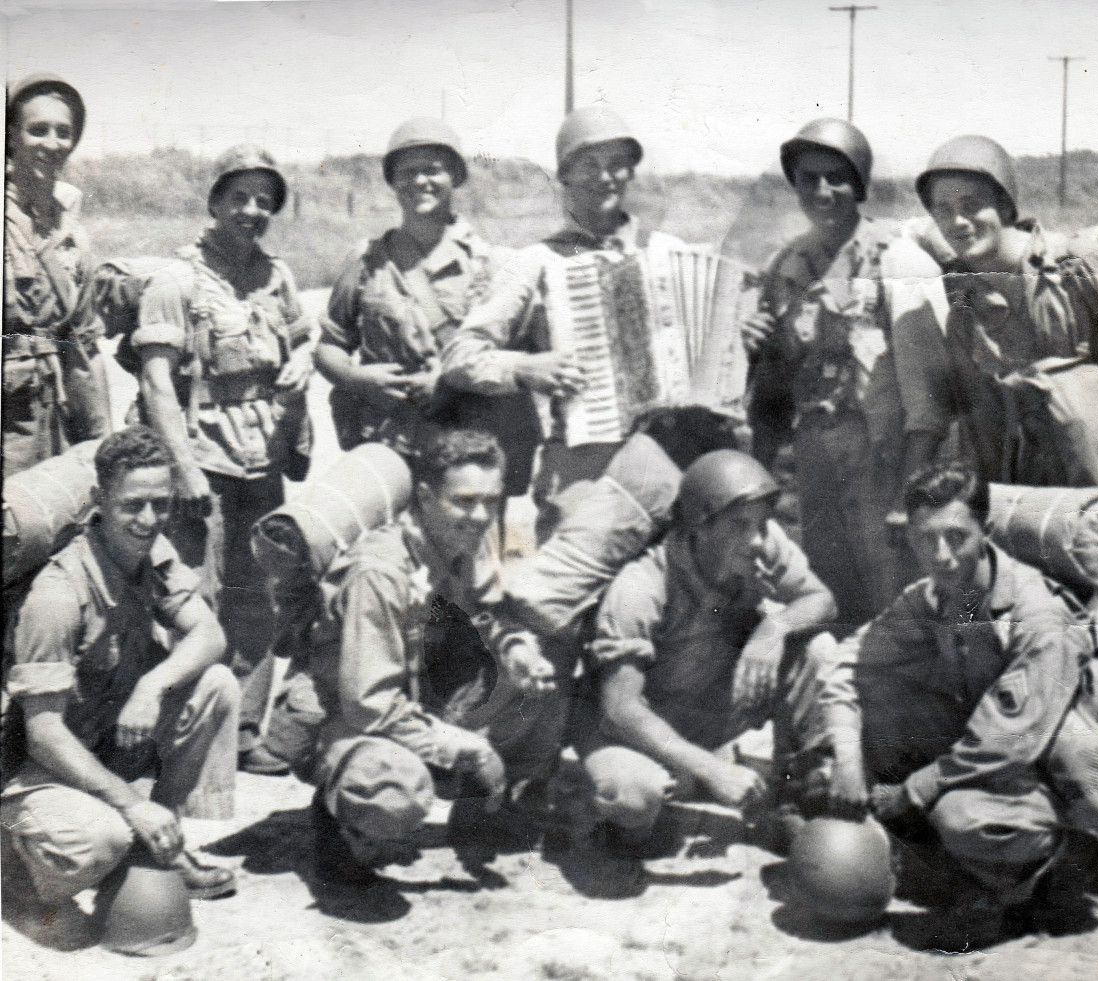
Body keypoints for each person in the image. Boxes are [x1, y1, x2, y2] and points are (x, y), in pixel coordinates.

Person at [901, 137, 1098, 940]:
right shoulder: (963, 297)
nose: (959, 221)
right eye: (943, 209)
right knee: (1045, 653)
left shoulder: (1075, 268)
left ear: (1007, 199)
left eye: (974, 204)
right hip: (1030, 506)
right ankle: (1062, 835)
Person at [820, 463, 1098, 940]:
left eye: (956, 536)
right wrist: (845, 759)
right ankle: (996, 860)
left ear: (984, 531)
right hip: (1000, 748)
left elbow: (1008, 736)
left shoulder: (1036, 616)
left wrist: (915, 790)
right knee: (882, 702)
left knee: (958, 817)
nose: (940, 555)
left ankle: (1060, 861)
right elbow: (849, 663)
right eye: (926, 539)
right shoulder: (950, 596)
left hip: (1063, 765)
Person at [262, 429, 565, 886]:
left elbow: (476, 617)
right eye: (464, 501)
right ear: (424, 496)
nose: (480, 515)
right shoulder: (380, 573)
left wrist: (515, 650)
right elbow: (368, 704)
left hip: (414, 693)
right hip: (341, 717)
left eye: (490, 500)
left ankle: (477, 814)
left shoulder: (452, 544)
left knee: (540, 687)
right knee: (394, 792)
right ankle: (343, 827)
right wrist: (463, 747)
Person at [442, 105, 712, 544]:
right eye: (589, 165)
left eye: (617, 165)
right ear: (564, 177)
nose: (605, 177)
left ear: (631, 173)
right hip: (583, 466)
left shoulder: (670, 252)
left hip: (667, 458)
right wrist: (523, 369)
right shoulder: (534, 262)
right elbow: (460, 355)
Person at [131, 145, 316, 776]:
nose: (252, 210)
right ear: (213, 203)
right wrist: (181, 468)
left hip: (260, 454)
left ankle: (239, 728)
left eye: (265, 200)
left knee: (258, 590)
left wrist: (301, 364)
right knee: (192, 592)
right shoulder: (177, 279)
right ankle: (182, 730)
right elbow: (157, 382)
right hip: (200, 457)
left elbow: (300, 341)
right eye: (239, 197)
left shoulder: (278, 277)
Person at [1, 426, 237, 905]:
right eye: (132, 505)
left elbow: (209, 633)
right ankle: (13, 862)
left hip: (101, 741)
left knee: (215, 684)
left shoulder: (152, 552)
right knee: (98, 842)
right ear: (98, 500)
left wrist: (152, 686)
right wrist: (130, 803)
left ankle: (159, 845)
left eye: (161, 504)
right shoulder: (57, 595)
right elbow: (44, 735)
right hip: (36, 768)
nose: (149, 520)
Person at [575, 450, 838, 852]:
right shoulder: (641, 587)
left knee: (816, 650)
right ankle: (622, 823)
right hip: (635, 730)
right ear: (701, 525)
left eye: (763, 523)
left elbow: (821, 599)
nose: (757, 539)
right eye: (739, 525)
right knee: (635, 797)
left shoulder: (761, 544)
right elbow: (620, 709)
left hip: (707, 707)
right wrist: (711, 768)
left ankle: (793, 796)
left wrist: (773, 629)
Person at [741, 119, 941, 627]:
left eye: (837, 178)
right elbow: (771, 393)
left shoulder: (898, 259)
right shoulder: (785, 265)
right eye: (808, 179)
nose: (822, 191)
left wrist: (911, 486)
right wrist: (753, 344)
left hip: (882, 454)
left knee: (895, 591)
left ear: (860, 185)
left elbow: (931, 397)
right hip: (816, 458)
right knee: (830, 590)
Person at [314, 118, 538, 494]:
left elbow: (516, 359)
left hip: (471, 455)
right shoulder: (367, 261)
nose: (420, 182)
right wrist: (357, 380)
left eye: (433, 170)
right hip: (391, 444)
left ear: (455, 177)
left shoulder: (492, 263)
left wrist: (451, 380)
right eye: (408, 172)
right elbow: (330, 344)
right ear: (393, 183)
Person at [4, 73, 110, 480]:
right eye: (37, 130)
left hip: (59, 417)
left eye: (63, 132)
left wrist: (103, 441)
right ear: (10, 136)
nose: (52, 143)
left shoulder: (71, 232)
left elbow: (84, 343)